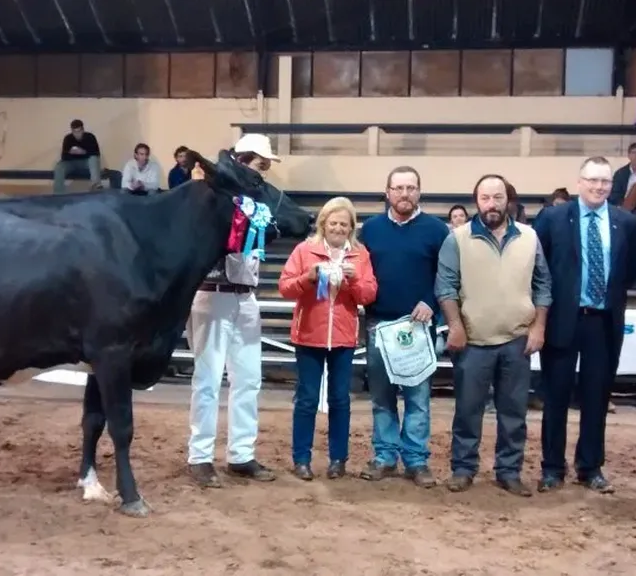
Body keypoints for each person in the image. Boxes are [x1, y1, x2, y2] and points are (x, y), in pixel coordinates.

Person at [533, 156, 636, 494]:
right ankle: (552, 468)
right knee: (555, 398)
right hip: (563, 321)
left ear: (612, 186)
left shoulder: (627, 223)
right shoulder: (552, 218)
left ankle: (590, 467)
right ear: (579, 182)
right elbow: (538, 268)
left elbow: (631, 270)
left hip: (603, 323)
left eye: (605, 182)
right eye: (592, 180)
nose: (598, 187)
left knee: (596, 398)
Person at [436, 174, 551, 497]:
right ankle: (463, 468)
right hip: (472, 341)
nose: (492, 204)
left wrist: (539, 327)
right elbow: (445, 287)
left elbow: (544, 285)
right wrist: (455, 326)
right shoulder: (457, 239)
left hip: (517, 341)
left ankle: (509, 470)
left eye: (497, 197)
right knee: (467, 410)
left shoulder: (530, 237)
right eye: (485, 198)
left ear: (507, 200)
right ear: (477, 201)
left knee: (514, 412)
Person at [186, 133, 281, 488]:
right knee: (208, 379)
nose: (263, 173)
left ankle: (241, 454)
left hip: (245, 295)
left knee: (248, 379)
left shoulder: (256, 202)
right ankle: (200, 456)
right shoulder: (213, 198)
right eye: (259, 165)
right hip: (212, 293)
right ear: (241, 161)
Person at [358, 166, 449, 486]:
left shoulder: (437, 231)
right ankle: (384, 456)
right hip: (378, 326)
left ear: (419, 192)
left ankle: (415, 459)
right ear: (387, 193)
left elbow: (447, 277)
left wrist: (431, 302)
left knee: (418, 398)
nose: (404, 194)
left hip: (418, 328)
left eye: (410, 188)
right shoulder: (369, 230)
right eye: (398, 188)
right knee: (382, 398)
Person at [279, 197, 377, 481]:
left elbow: (369, 295)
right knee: (307, 399)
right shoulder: (304, 250)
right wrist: (307, 278)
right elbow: (285, 288)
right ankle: (301, 459)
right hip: (309, 335)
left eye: (344, 224)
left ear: (351, 228)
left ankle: (338, 460)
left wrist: (354, 280)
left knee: (340, 400)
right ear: (323, 223)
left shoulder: (360, 255)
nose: (338, 228)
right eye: (333, 222)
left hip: (344, 339)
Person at [52, 119, 102, 193]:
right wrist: (72, 153)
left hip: (86, 163)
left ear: (83, 130)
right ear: (72, 131)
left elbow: (96, 153)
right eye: (75, 132)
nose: (77, 134)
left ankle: (95, 185)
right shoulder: (68, 138)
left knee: (93, 159)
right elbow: (64, 156)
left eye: (79, 131)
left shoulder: (90, 137)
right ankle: (58, 192)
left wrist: (84, 152)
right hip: (72, 163)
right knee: (59, 166)